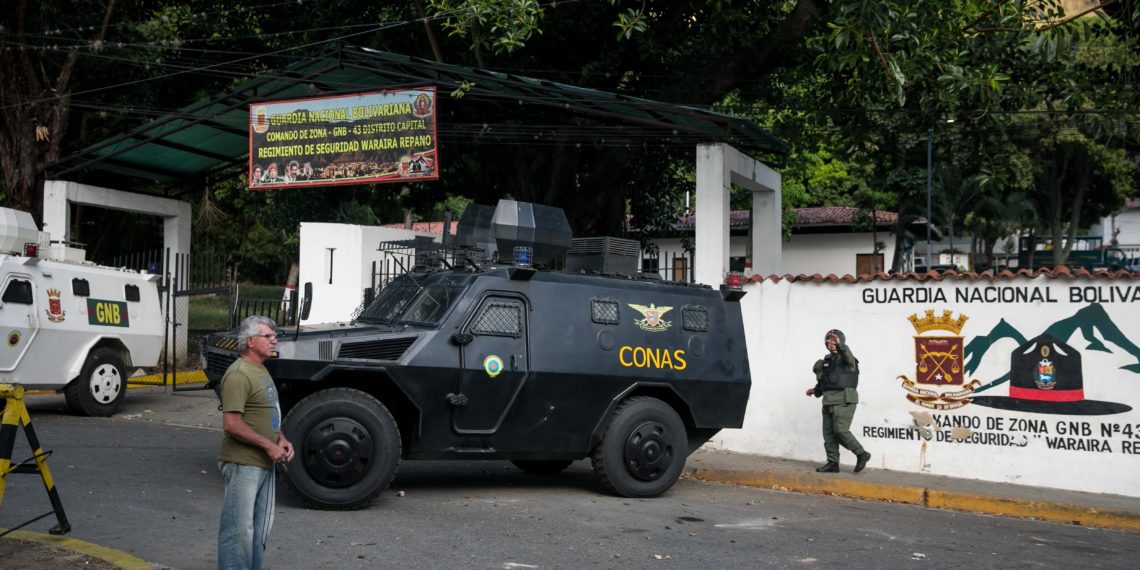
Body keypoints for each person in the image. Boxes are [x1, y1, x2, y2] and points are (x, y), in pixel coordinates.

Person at [217, 315, 294, 569]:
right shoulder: (239, 374)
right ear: (250, 341)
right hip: (244, 463)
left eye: (274, 336)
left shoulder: (260, 369)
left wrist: (281, 439)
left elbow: (267, 412)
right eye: (268, 336)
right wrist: (268, 445)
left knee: (259, 528)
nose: (274, 341)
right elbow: (232, 424)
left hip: (264, 462)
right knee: (239, 529)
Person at [805, 329, 871, 474]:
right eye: (829, 340)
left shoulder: (847, 358)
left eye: (835, 340)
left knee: (840, 430)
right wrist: (815, 391)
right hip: (828, 400)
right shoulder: (825, 361)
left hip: (844, 400)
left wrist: (841, 346)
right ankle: (832, 463)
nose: (832, 343)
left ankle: (861, 453)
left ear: (841, 342)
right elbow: (826, 381)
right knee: (828, 434)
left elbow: (847, 356)